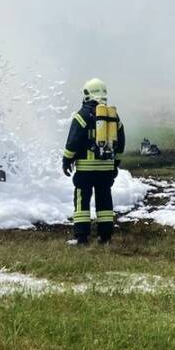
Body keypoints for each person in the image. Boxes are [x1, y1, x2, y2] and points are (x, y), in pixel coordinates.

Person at [62, 78, 125, 245]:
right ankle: (105, 237)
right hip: (106, 169)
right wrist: (115, 164)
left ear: (87, 94)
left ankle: (82, 237)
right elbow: (121, 143)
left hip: (85, 170)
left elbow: (73, 141)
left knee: (82, 200)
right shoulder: (113, 117)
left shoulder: (82, 115)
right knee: (104, 200)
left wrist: (66, 160)